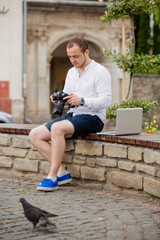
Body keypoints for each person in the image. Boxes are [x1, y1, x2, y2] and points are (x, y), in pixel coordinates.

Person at [29, 37, 112, 191]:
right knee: (34, 134)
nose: (72, 60)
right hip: (74, 115)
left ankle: (52, 177)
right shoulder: (70, 72)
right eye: (70, 57)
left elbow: (106, 101)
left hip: (93, 117)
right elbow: (69, 99)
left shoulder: (100, 71)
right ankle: (62, 171)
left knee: (57, 128)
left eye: (76, 56)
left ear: (86, 52)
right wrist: (61, 101)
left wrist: (82, 101)